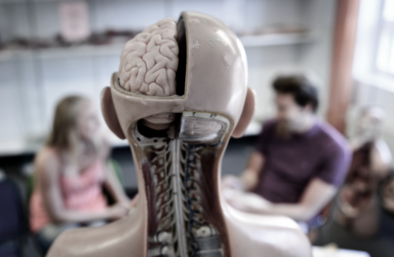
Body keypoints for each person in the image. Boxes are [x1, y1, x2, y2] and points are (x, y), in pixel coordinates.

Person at [222, 75, 352, 228]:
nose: (277, 114)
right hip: (254, 203)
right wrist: (236, 185)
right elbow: (252, 175)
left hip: (288, 219)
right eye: (276, 106)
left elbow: (305, 212)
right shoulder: (272, 127)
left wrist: (249, 209)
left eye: (283, 108)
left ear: (307, 107)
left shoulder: (336, 150)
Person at [29, 95, 130, 253]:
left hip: (95, 214)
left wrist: (125, 202)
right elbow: (57, 215)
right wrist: (109, 212)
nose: (98, 123)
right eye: (91, 118)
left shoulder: (100, 143)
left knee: (103, 234)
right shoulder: (48, 159)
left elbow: (104, 169)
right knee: (76, 237)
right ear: (71, 123)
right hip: (57, 223)